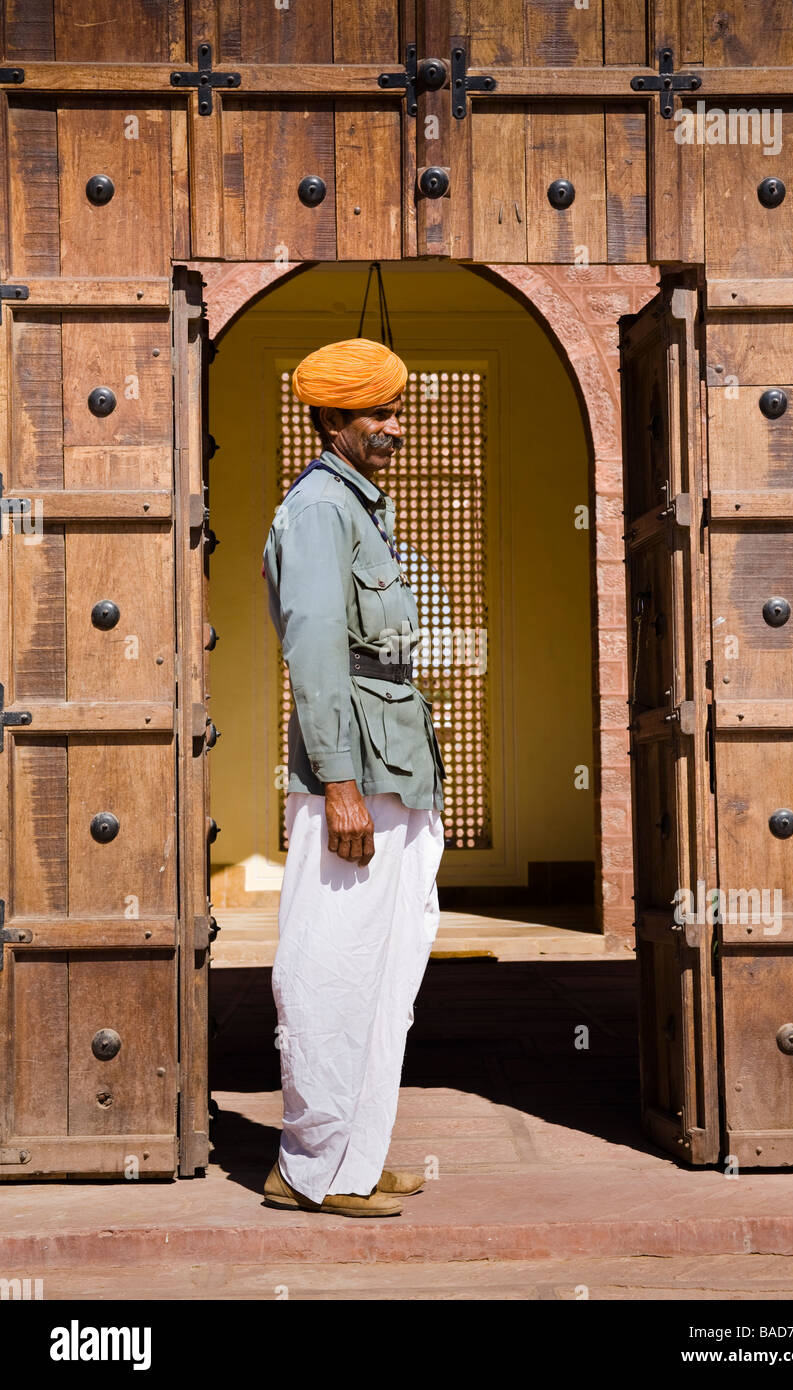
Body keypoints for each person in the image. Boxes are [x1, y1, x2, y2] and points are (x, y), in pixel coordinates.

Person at [260, 337, 447, 1217]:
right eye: (376, 414)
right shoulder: (320, 511)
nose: (393, 427)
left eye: (395, 410)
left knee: (387, 967)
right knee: (331, 962)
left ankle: (354, 1159)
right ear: (331, 420)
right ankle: (310, 1167)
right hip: (356, 769)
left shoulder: (360, 505)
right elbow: (317, 653)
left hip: (394, 762)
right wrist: (337, 782)